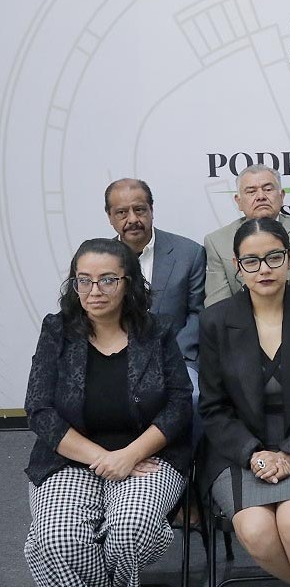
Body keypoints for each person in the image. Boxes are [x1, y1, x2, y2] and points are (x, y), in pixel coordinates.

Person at [24, 238, 192, 586]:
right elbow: (39, 409)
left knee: (131, 529)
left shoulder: (157, 331)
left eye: (107, 280)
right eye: (83, 280)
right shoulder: (57, 330)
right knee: (57, 537)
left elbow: (179, 403)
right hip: (70, 458)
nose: (94, 291)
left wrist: (130, 455)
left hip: (147, 456)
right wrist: (104, 458)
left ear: (128, 283)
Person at [198, 218, 290, 587]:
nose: (263, 269)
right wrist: (254, 454)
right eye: (251, 261)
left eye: (273, 257)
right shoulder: (216, 320)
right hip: (239, 448)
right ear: (237, 266)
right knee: (256, 531)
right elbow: (213, 408)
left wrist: (289, 454)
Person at [105, 178, 205, 438]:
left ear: (151, 209)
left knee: (193, 397)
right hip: (115, 357)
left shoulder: (189, 253)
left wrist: (170, 353)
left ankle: (189, 462)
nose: (132, 219)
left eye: (139, 209)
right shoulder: (99, 260)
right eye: (121, 212)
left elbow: (198, 312)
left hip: (177, 356)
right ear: (110, 217)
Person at [204, 164, 290, 307]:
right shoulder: (217, 242)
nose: (261, 197)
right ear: (239, 201)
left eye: (268, 189)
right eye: (251, 191)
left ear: (281, 196)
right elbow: (217, 308)